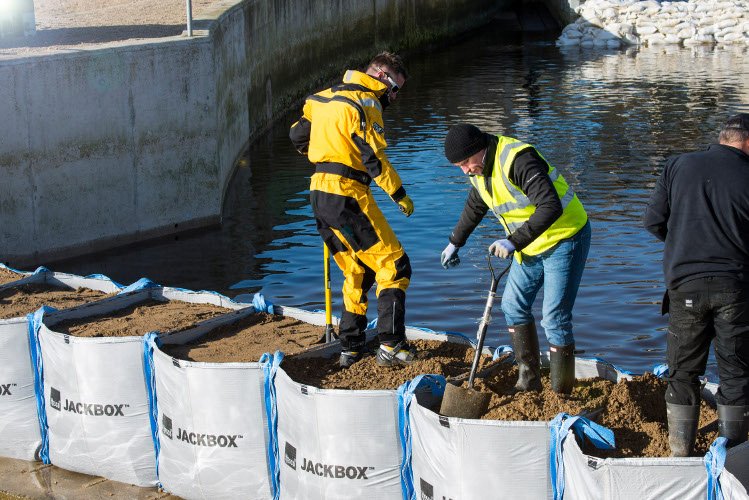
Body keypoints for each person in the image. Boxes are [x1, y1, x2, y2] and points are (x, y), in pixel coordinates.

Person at [441, 123, 590, 394]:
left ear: (478, 149)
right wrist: (455, 241)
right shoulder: (479, 168)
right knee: (512, 306)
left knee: (554, 318)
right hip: (530, 245)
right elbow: (477, 204)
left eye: (465, 163)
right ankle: (528, 381)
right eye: (459, 167)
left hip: (565, 237)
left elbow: (550, 205)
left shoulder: (517, 159)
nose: (465, 170)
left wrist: (512, 241)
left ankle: (561, 392)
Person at [289, 52, 417, 368]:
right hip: (347, 193)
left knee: (357, 269)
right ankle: (391, 345)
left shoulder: (323, 97)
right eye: (395, 90)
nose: (394, 98)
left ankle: (351, 345)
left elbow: (297, 133)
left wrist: (319, 151)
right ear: (383, 77)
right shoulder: (367, 103)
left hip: (319, 192)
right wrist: (399, 195)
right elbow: (373, 157)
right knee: (394, 264)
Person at [644, 113, 749, 456]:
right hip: (736, 286)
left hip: (685, 284)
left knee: (683, 371)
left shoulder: (678, 165)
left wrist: (684, 245)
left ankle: (680, 451)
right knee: (735, 371)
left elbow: (653, 221)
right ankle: (733, 454)